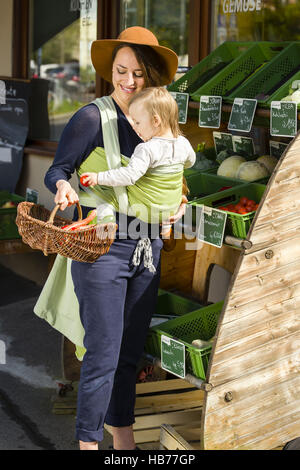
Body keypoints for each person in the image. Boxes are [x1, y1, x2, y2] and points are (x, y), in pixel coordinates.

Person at [41, 26, 188, 451]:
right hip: (102, 247)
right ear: (111, 72)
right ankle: (88, 443)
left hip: (148, 248)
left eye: (138, 73)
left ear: (151, 76)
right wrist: (62, 188)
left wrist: (179, 202)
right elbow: (58, 168)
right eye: (121, 71)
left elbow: (174, 180)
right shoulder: (92, 116)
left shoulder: (160, 122)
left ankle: (122, 435)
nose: (128, 81)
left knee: (129, 353)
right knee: (102, 353)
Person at [80, 86, 195, 239]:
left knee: (109, 192)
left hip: (147, 209)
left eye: (137, 122)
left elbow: (129, 176)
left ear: (155, 120)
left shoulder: (147, 149)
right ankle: (166, 229)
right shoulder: (183, 143)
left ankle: (106, 218)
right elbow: (190, 163)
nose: (134, 127)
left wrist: (98, 177)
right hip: (171, 207)